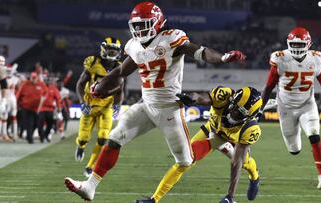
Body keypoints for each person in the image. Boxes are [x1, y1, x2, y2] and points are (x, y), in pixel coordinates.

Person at [64, 1, 246, 201]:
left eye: (144, 24)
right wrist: (102, 87)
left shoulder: (171, 38)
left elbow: (201, 51)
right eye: (137, 25)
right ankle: (90, 186)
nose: (140, 30)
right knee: (115, 137)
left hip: (169, 109)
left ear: (158, 22)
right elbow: (121, 73)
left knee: (186, 161)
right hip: (146, 105)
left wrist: (221, 58)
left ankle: (216, 142)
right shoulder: (134, 46)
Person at [135, 86, 262, 203]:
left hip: (232, 139)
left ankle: (254, 176)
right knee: (185, 161)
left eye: (239, 112)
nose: (233, 112)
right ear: (232, 99)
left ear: (248, 117)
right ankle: (154, 200)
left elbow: (236, 162)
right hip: (212, 129)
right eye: (234, 106)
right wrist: (191, 98)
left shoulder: (251, 129)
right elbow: (201, 97)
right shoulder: (223, 96)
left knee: (244, 162)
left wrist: (230, 196)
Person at [259, 27, 321, 190]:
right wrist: (259, 107)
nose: (295, 48)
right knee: (294, 149)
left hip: (307, 105)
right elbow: (268, 87)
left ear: (308, 44)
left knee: (314, 136)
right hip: (286, 107)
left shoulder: (315, 59)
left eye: (299, 44)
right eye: (293, 44)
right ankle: (276, 105)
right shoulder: (280, 58)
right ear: (288, 43)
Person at [74, 37, 125, 177]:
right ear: (103, 49)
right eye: (110, 50)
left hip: (106, 107)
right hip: (89, 105)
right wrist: (82, 102)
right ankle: (81, 146)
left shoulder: (119, 67)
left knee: (103, 137)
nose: (112, 53)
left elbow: (120, 90)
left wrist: (117, 105)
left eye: (115, 51)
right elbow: (80, 84)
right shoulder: (93, 63)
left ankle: (90, 166)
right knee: (84, 137)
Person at [16, 72, 47, 144]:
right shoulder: (25, 84)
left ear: (37, 78)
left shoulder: (41, 84)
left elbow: (46, 92)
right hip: (27, 108)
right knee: (29, 123)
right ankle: (30, 139)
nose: (33, 80)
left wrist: (44, 98)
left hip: (38, 109)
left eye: (35, 78)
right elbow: (19, 94)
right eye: (32, 78)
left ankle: (39, 137)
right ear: (30, 78)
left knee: (38, 124)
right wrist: (18, 103)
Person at [38, 77, 62, 142]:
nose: (47, 82)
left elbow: (57, 99)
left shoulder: (53, 89)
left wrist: (59, 107)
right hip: (41, 109)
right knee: (40, 124)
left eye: (48, 81)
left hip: (50, 109)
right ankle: (42, 137)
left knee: (50, 124)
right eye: (46, 81)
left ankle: (45, 135)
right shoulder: (40, 87)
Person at [0, 55, 10, 141]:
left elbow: (4, 85)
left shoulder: (1, 69)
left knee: (2, 115)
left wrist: (3, 100)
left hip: (0, 95)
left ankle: (1, 134)